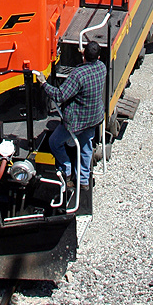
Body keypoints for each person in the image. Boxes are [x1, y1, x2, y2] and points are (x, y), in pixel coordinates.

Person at [36, 40, 106, 192]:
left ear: (84, 56)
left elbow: (60, 95)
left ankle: (66, 171)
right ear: (98, 57)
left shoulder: (78, 75)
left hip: (77, 121)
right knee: (86, 148)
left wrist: (43, 83)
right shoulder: (102, 67)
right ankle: (84, 181)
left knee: (55, 142)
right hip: (94, 118)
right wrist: (85, 55)